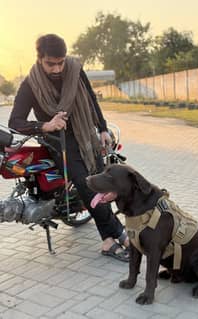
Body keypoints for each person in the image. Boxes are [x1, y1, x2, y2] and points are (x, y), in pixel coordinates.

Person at [8, 34, 129, 262]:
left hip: (86, 136)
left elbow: (91, 98)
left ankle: (107, 240)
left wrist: (102, 128)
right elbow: (15, 121)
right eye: (50, 64)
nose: (56, 69)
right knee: (88, 186)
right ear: (39, 59)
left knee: (101, 183)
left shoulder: (74, 69)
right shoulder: (30, 84)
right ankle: (120, 235)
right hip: (59, 143)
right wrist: (46, 125)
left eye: (60, 62)